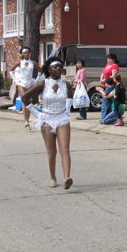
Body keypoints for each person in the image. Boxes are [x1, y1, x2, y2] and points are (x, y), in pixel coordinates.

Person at [22, 57, 74, 189]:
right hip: (47, 118)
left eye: (60, 66)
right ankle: (53, 177)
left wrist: (67, 111)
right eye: (55, 66)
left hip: (62, 117)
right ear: (49, 69)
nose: (58, 68)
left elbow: (70, 96)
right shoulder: (43, 84)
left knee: (65, 148)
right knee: (51, 151)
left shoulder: (66, 85)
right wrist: (37, 114)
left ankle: (67, 177)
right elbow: (24, 97)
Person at [9, 48, 38, 130]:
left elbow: (40, 70)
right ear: (22, 54)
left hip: (30, 82)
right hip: (21, 82)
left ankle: (27, 120)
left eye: (28, 53)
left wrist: (36, 79)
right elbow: (11, 70)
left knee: (28, 101)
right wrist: (15, 80)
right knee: (24, 99)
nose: (27, 54)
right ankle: (25, 121)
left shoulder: (32, 63)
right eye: (25, 53)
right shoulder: (20, 63)